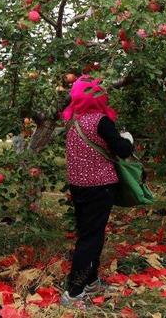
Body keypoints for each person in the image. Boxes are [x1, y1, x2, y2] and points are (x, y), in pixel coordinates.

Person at [61, 75, 134, 306]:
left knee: (90, 233)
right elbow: (122, 150)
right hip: (99, 187)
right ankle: (74, 292)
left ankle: (91, 281)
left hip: (78, 186)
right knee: (91, 238)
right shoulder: (101, 121)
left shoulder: (73, 120)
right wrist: (128, 139)